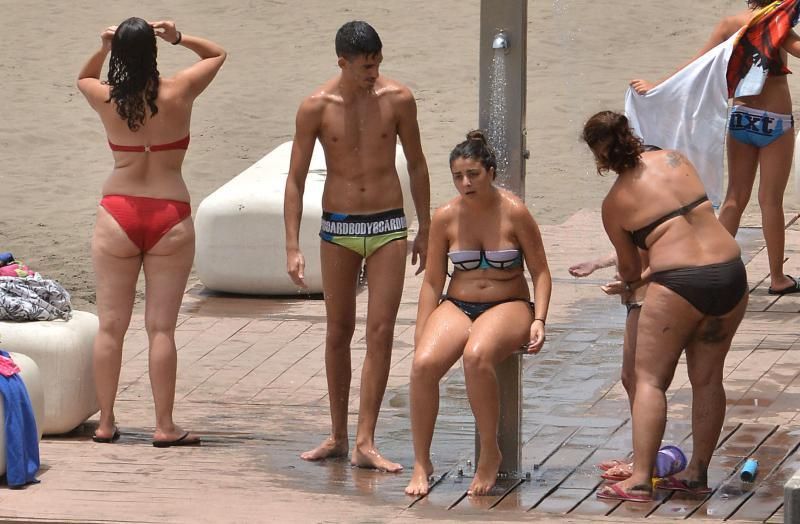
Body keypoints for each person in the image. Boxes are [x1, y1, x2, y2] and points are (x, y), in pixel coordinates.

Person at [283, 20, 431, 472]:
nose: (374, 72)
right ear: (342, 62)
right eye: (366, 66)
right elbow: (294, 179)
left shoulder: (399, 99)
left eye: (378, 63)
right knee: (337, 332)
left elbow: (419, 164)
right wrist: (291, 244)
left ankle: (366, 439)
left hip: (388, 224)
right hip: (339, 227)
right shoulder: (315, 107)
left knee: (381, 331)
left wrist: (425, 226)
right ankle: (338, 435)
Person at [583, 111, 748, 502]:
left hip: (679, 282)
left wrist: (624, 285)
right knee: (708, 378)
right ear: (631, 135)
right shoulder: (676, 159)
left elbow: (630, 269)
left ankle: (639, 479)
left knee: (649, 381)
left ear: (600, 156)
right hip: (730, 272)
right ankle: (696, 474)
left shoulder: (615, 202)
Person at [77, 18, 226, 446]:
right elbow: (217, 54)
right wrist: (178, 36)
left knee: (110, 327)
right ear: (154, 52)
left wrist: (104, 46)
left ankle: (105, 423)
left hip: (118, 214)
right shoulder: (179, 91)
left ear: (121, 55)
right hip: (169, 215)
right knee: (161, 329)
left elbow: (83, 77)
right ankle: (164, 426)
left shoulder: (107, 99)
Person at [404, 131, 552, 497]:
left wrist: (540, 319)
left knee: (476, 355)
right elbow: (432, 283)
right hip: (458, 303)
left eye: (473, 174)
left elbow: (542, 273)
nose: (465, 183)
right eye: (457, 176)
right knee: (423, 364)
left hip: (509, 304)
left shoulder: (514, 212)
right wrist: (422, 328)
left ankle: (490, 452)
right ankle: (421, 461)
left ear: (491, 171)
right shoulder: (445, 217)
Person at [631, 0, 800, 295]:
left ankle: (712, 269)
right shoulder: (776, 25)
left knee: (735, 197)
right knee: (770, 201)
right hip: (775, 121)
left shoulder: (729, 24)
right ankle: (777, 278)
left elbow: (696, 65)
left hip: (741, 117)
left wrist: (655, 86)